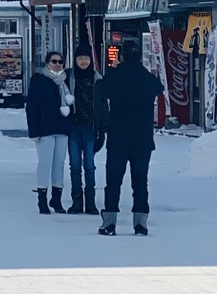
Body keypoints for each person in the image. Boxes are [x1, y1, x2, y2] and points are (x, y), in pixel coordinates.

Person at [95, 40, 162, 236]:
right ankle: (140, 223)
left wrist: (114, 70)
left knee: (113, 181)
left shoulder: (116, 77)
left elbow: (101, 88)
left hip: (118, 137)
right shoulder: (147, 78)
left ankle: (109, 223)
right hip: (142, 138)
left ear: (121, 57)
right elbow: (158, 88)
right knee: (140, 181)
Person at [25, 50, 71, 214]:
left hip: (62, 128)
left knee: (59, 164)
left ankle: (57, 199)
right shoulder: (39, 81)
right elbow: (31, 106)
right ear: (47, 63)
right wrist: (33, 130)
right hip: (44, 130)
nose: (57, 64)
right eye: (54, 61)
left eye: (60, 62)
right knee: (45, 163)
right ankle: (42, 199)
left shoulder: (65, 82)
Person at [65, 46, 99, 213]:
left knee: (90, 166)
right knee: (75, 165)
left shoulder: (96, 78)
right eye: (80, 59)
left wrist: (102, 131)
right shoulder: (68, 77)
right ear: (75, 60)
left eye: (86, 58)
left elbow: (102, 106)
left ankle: (91, 203)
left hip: (91, 128)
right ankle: (77, 202)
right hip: (73, 127)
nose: (84, 62)